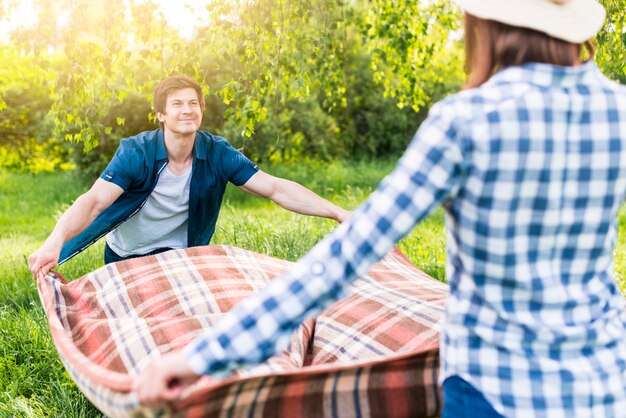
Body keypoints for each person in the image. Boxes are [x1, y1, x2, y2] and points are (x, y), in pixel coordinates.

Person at [134, 1, 626, 416]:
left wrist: (204, 357)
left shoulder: (468, 120)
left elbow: (344, 259)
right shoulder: (617, 109)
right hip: (603, 381)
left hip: (494, 385)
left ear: (485, 24)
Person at [28, 75, 350, 280]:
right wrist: (55, 241)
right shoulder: (135, 152)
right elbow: (94, 202)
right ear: (161, 114)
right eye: (177, 104)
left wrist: (338, 212)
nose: (187, 109)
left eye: (193, 103)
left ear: (201, 109)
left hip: (181, 257)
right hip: (125, 258)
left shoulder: (217, 152)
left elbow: (275, 189)